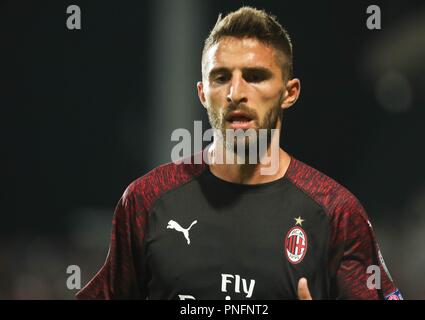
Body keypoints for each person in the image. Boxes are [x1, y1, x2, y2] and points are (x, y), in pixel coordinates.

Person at [76, 6, 402, 300]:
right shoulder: (146, 200)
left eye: (254, 76)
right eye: (221, 78)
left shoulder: (336, 213)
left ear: (289, 93)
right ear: (203, 94)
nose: (235, 93)